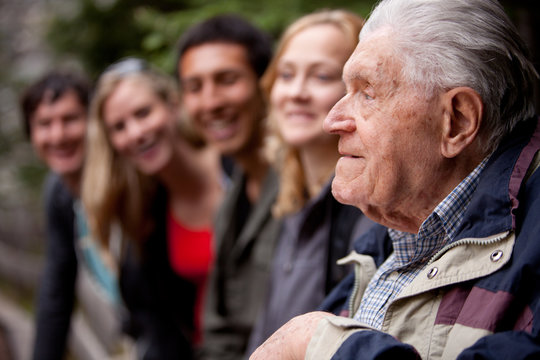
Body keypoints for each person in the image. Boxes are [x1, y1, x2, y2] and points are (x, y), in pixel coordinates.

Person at [250, 0, 540, 359]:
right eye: (345, 90)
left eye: (367, 93)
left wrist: (317, 343)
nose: (333, 120)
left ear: (458, 121)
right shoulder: (386, 242)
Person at [245, 10, 391, 355]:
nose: (296, 92)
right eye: (286, 74)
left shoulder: (373, 212)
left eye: (321, 76)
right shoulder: (287, 201)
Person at [82, 57, 223, 359]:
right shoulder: (146, 222)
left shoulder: (236, 170)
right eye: (119, 127)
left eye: (143, 113)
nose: (135, 133)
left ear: (173, 105)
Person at [176, 14, 281, 359]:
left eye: (227, 80)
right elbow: (219, 331)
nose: (210, 102)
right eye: (195, 87)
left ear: (266, 83)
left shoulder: (310, 188)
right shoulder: (228, 206)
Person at [19, 71, 95, 360]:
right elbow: (56, 293)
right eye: (44, 124)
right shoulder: (59, 194)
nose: (58, 135)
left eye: (70, 119)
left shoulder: (128, 182)